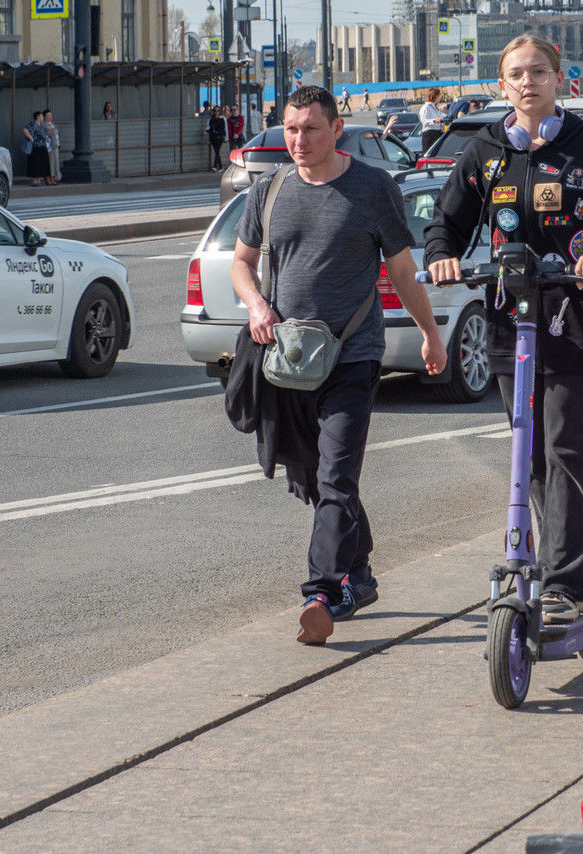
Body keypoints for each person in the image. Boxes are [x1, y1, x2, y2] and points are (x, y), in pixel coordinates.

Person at [424, 35, 583, 624]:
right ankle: (566, 565)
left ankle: (566, 584)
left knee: (567, 448)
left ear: (560, 80)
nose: (528, 82)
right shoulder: (487, 152)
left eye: (539, 72)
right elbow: (445, 222)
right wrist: (444, 255)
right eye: (516, 74)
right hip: (511, 317)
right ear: (503, 85)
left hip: (574, 316)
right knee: (529, 455)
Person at [230, 85, 447, 644]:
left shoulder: (372, 187)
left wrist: (430, 334)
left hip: (352, 355)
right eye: (291, 129)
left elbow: (401, 271)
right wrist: (256, 304)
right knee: (315, 474)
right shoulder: (270, 189)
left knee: (336, 473)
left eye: (311, 129)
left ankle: (322, 591)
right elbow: (242, 263)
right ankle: (363, 571)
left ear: (336, 131)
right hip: (286, 360)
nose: (299, 140)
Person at [22, 111, 50, 186]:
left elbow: (43, 134)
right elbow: (25, 130)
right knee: (36, 163)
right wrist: (31, 138)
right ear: (37, 116)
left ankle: (38, 179)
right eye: (41, 116)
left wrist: (46, 138)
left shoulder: (40, 126)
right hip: (36, 147)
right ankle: (35, 180)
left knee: (42, 163)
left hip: (42, 146)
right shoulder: (33, 124)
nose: (42, 118)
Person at [419, 87, 445, 152]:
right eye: (439, 95)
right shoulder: (426, 107)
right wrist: (434, 120)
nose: (440, 97)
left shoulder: (435, 107)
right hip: (430, 135)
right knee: (429, 154)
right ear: (435, 96)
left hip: (438, 133)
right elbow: (424, 121)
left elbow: (441, 118)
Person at [43, 109, 61, 185]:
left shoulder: (53, 124)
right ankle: (51, 178)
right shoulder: (44, 124)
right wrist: (48, 132)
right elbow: (44, 134)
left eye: (50, 115)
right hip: (49, 146)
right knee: (51, 162)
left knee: (56, 162)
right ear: (44, 117)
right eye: (48, 116)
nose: (50, 117)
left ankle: (56, 177)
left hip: (55, 145)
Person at [207, 105, 227, 171]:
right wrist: (207, 131)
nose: (216, 112)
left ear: (219, 111)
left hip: (220, 138)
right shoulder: (211, 120)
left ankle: (215, 166)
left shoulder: (222, 119)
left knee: (217, 151)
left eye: (218, 111)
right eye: (215, 111)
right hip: (213, 138)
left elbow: (224, 128)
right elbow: (209, 128)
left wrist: (225, 137)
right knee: (217, 152)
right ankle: (220, 166)